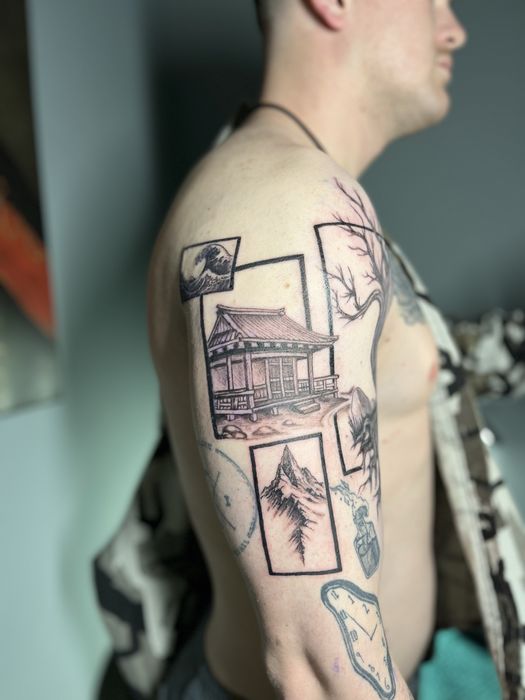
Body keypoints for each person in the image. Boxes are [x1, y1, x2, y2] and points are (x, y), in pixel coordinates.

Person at [143, 2, 523, 699]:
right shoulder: (286, 208)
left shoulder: (285, 194)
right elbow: (318, 670)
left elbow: (409, 367)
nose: (454, 28)